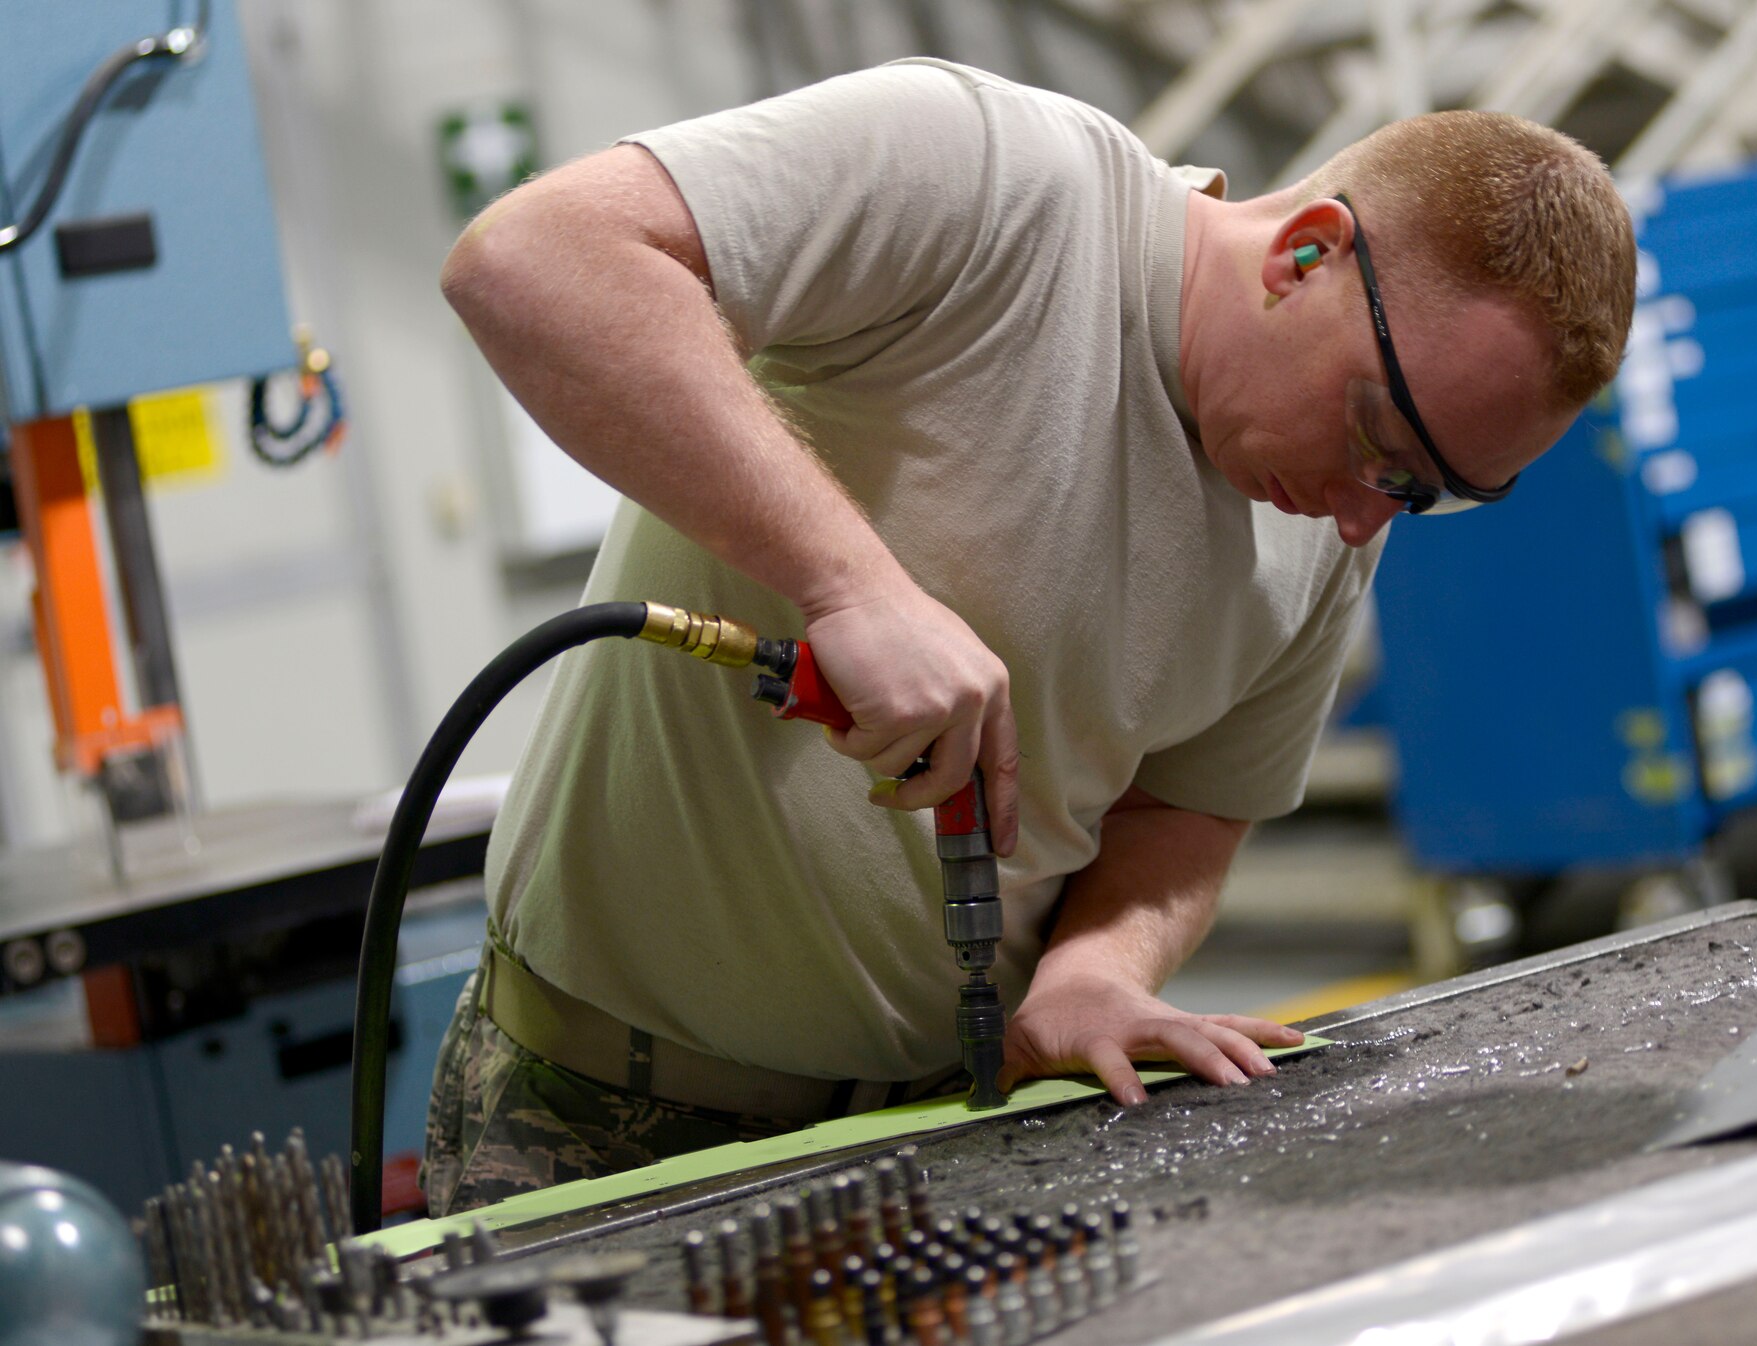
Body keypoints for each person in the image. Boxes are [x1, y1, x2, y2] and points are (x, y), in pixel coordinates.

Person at [422, 58, 1635, 1215]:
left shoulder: (1330, 520)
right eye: (1378, 438)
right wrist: (852, 586)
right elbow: (534, 257)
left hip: (944, 1133)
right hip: (595, 1115)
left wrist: (1094, 972)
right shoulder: (986, 179)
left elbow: (1187, 810)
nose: (1370, 510)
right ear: (1303, 254)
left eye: (1427, 492)